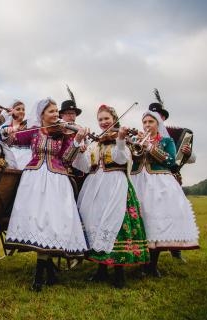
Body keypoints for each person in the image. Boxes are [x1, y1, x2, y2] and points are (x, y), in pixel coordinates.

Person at [0, 98, 89, 292]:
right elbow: (11, 139)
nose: (56, 114)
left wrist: (77, 140)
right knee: (38, 221)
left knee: (51, 222)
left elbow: (66, 159)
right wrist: (7, 130)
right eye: (51, 112)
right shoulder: (32, 131)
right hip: (33, 180)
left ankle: (40, 276)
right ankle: (45, 273)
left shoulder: (63, 135)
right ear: (41, 115)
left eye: (57, 111)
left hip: (57, 180)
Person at [73, 104, 149, 288]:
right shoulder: (95, 143)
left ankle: (119, 273)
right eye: (100, 119)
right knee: (96, 222)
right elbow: (83, 167)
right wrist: (80, 151)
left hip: (116, 185)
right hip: (95, 186)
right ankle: (100, 270)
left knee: (116, 225)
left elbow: (121, 159)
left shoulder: (122, 140)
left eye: (106, 118)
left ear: (114, 119)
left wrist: (121, 139)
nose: (103, 122)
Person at [130, 110, 199, 277]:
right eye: (144, 122)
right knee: (140, 221)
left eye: (150, 122)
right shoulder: (136, 139)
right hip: (138, 180)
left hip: (159, 183)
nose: (147, 125)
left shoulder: (167, 140)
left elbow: (171, 162)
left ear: (157, 124)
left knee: (156, 222)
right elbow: (131, 159)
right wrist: (133, 144)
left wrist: (151, 148)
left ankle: (152, 265)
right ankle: (141, 263)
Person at [149, 99, 196, 262]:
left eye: (159, 115)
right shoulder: (146, 130)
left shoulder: (173, 135)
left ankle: (176, 249)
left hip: (172, 176)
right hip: (150, 177)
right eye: (154, 115)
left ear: (163, 117)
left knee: (173, 212)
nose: (157, 118)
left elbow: (190, 159)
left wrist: (187, 153)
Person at [0, 100, 31, 170]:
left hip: (26, 158)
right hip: (9, 156)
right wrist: (6, 131)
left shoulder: (29, 126)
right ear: (12, 112)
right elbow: (1, 137)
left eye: (23, 109)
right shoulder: (5, 127)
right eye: (18, 109)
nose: (21, 111)